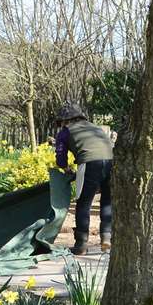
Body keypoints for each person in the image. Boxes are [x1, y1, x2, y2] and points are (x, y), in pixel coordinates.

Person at [52, 103, 114, 254]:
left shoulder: (65, 132)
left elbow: (60, 156)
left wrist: (65, 168)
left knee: (83, 203)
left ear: (65, 120)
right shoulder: (95, 128)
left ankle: (81, 245)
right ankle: (106, 238)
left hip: (89, 163)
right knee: (107, 201)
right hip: (111, 163)